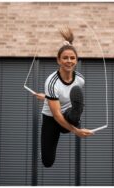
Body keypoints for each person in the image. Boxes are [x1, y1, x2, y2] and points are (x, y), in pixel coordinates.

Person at [34, 27, 93, 167]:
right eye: (65, 58)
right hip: (51, 118)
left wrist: (48, 97)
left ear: (76, 61)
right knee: (47, 161)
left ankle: (76, 113)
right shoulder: (51, 81)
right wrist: (77, 131)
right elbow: (56, 115)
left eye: (72, 58)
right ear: (58, 60)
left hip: (67, 115)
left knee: (70, 116)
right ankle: (75, 118)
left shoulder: (80, 79)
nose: (69, 61)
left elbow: (65, 95)